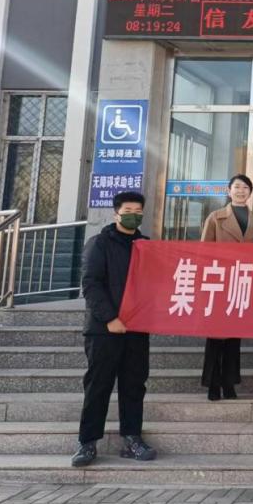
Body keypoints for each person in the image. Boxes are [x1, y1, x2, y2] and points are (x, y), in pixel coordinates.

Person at [72, 191, 156, 468]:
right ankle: (87, 442)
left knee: (134, 385)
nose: (133, 216)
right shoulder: (99, 243)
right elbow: (91, 284)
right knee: (99, 385)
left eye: (138, 212)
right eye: (128, 211)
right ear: (116, 213)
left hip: (136, 328)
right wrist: (110, 318)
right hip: (103, 329)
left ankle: (132, 439)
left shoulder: (146, 246)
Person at [199, 174, 253, 401]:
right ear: (229, 191)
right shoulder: (216, 218)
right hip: (219, 282)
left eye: (245, 187)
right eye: (237, 187)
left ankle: (229, 383)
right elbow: (204, 251)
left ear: (250, 192)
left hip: (243, 282)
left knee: (234, 337)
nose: (241, 191)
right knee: (215, 336)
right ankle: (213, 383)